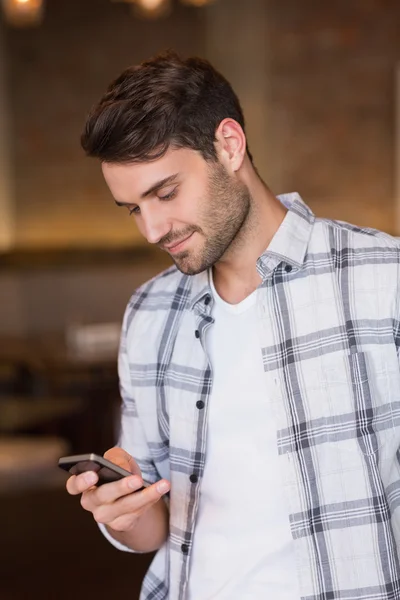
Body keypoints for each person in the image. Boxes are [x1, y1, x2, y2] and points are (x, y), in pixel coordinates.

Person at [66, 51, 400, 600]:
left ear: (229, 145)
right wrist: (121, 513)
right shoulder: (149, 313)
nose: (152, 229)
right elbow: (153, 521)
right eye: (132, 209)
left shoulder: (380, 280)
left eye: (165, 193)